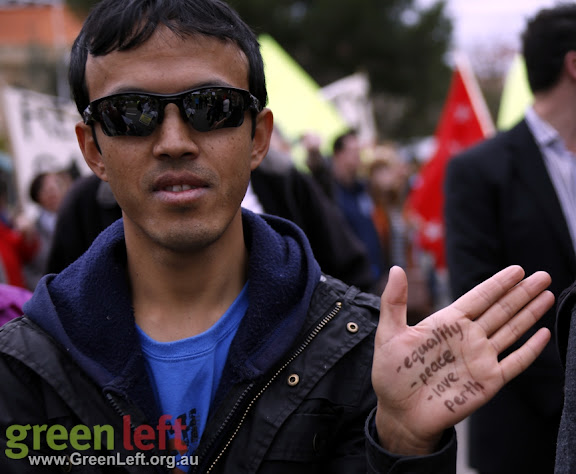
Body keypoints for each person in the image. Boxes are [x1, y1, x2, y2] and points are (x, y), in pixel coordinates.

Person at [0, 0, 555, 472]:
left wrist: (403, 446)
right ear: (92, 148)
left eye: (210, 108)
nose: (173, 141)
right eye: (131, 113)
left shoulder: (361, 353)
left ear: (259, 137)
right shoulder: (23, 367)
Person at [444, 5, 576, 473]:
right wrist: (568, 399)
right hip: (525, 434)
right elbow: (480, 303)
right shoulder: (477, 171)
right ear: (573, 64)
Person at [24, 172, 69, 289]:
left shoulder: (73, 220)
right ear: (38, 196)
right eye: (47, 190)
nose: (53, 194)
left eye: (56, 187)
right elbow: (28, 269)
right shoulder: (31, 231)